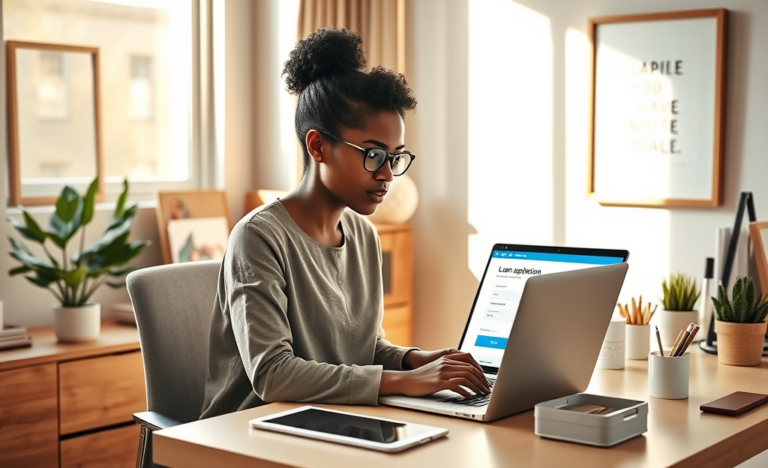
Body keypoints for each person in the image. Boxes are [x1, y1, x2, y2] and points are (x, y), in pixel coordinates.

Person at [200, 28, 490, 419]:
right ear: (318, 146)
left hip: (326, 420)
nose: (388, 174)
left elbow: (362, 348)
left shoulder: (364, 235)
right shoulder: (258, 238)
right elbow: (272, 375)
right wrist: (408, 382)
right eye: (373, 155)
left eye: (396, 157)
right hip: (247, 431)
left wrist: (414, 360)